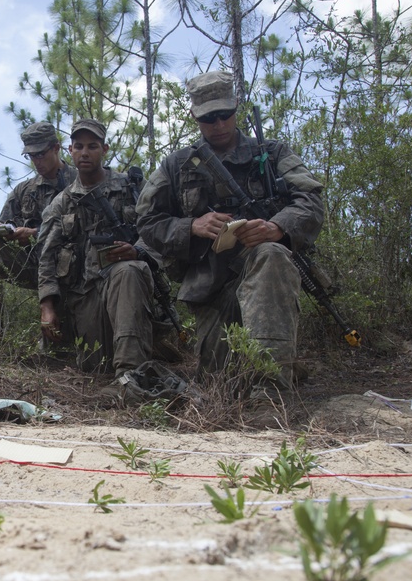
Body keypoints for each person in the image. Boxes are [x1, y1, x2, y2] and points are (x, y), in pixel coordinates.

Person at [136, 70, 324, 411]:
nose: (219, 124)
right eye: (209, 118)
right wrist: (191, 225)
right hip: (212, 289)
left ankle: (271, 395)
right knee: (223, 383)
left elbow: (310, 200)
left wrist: (277, 227)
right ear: (194, 116)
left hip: (262, 270)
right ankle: (280, 368)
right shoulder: (177, 165)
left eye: (225, 114)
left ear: (236, 107)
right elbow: (147, 221)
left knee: (270, 254)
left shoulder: (272, 152)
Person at [37, 118, 163, 393]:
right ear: (70, 150)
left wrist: (137, 250)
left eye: (92, 146)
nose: (85, 153)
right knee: (95, 364)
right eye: (79, 146)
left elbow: (154, 229)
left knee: (128, 271)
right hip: (86, 295)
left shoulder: (129, 189)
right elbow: (46, 257)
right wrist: (47, 306)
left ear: (104, 149)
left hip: (125, 284)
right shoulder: (63, 202)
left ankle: (131, 377)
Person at [0, 121, 77, 335]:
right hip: (32, 265)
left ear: (56, 148)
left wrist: (35, 234)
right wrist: (0, 229)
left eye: (41, 154)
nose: (36, 161)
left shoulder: (79, 183)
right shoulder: (24, 190)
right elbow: (6, 224)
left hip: (73, 267)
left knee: (64, 348)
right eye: (31, 156)